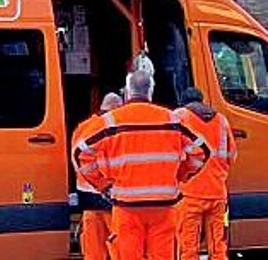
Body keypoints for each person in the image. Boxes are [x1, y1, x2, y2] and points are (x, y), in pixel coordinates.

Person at [76, 69, 209, 260]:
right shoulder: (171, 119)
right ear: (151, 91)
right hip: (163, 205)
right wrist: (180, 174)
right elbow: (201, 151)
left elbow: (81, 153)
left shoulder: (111, 121)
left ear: (128, 92)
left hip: (127, 206)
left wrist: (102, 184)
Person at [173, 86, 237, 260]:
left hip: (189, 194)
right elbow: (232, 156)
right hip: (217, 193)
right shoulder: (221, 120)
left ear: (184, 102)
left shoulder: (179, 116)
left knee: (188, 247)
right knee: (218, 247)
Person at [71, 92, 122, 260]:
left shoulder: (82, 127)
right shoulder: (112, 127)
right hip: (109, 195)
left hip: (87, 197)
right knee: (119, 246)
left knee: (93, 249)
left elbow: (77, 158)